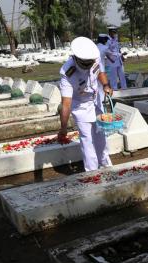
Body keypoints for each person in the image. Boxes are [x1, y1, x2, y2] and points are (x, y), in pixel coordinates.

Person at [58, 36, 113, 172]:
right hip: (81, 106)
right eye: (85, 64)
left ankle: (105, 164)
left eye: (90, 63)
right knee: (87, 139)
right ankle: (92, 171)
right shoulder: (67, 72)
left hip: (96, 100)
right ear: (76, 59)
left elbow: (100, 72)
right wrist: (63, 128)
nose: (88, 66)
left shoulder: (94, 57)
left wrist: (106, 85)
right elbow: (66, 104)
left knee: (101, 134)